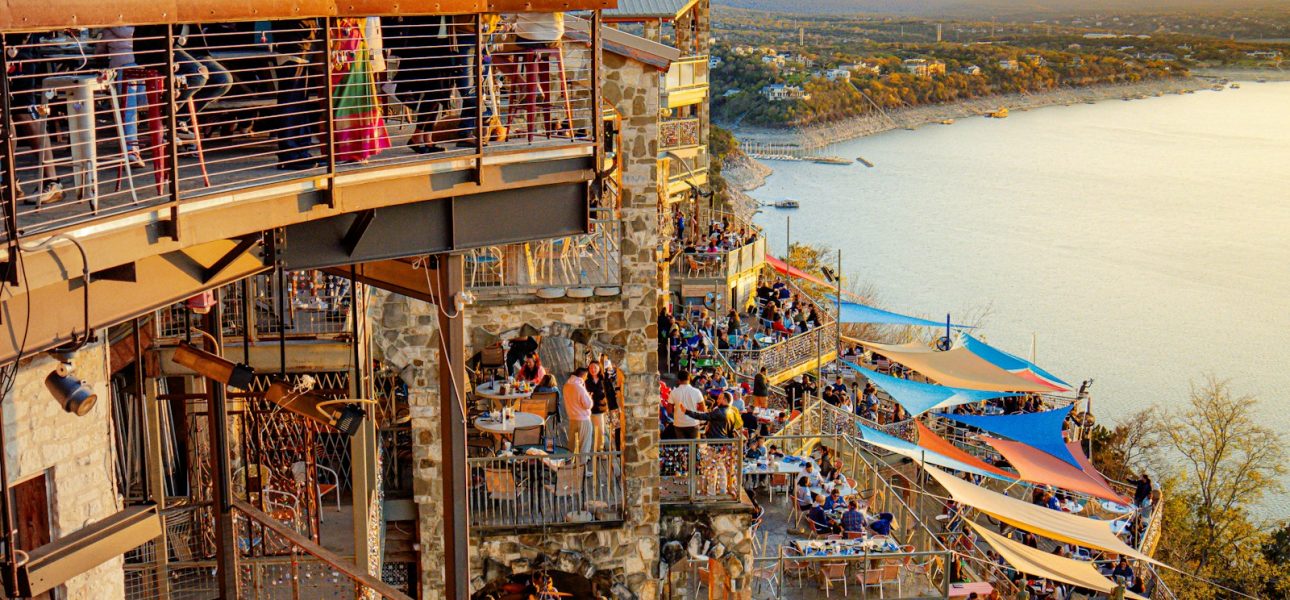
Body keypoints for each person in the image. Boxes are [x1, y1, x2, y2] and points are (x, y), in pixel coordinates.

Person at [330, 17, 390, 162]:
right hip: (343, 45)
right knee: (341, 99)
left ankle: (358, 149)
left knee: (359, 100)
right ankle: (343, 150)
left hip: (358, 45)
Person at [272, 19, 324, 169]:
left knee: (300, 101)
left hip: (303, 39)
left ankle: (301, 151)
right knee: (292, 100)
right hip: (294, 40)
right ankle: (291, 154)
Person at [587, 360, 617, 453]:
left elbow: (610, 394)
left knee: (601, 431)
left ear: (599, 368)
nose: (593, 369)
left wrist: (613, 408)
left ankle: (600, 450)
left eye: (595, 367)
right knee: (593, 431)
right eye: (591, 367)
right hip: (589, 410)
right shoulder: (586, 381)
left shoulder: (604, 380)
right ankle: (594, 451)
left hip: (601, 409)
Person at [561, 367, 593, 454]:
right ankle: (582, 462)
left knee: (572, 445)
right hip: (583, 419)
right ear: (584, 376)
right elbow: (588, 405)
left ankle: (570, 460)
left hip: (572, 418)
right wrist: (589, 397)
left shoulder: (566, 386)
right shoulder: (579, 388)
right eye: (586, 376)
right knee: (584, 446)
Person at [670, 370, 704, 440]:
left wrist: (677, 411)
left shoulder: (673, 392)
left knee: (682, 446)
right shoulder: (697, 391)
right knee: (695, 445)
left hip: (679, 423)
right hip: (693, 423)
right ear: (689, 379)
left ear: (678, 380)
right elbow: (703, 409)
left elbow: (669, 410)